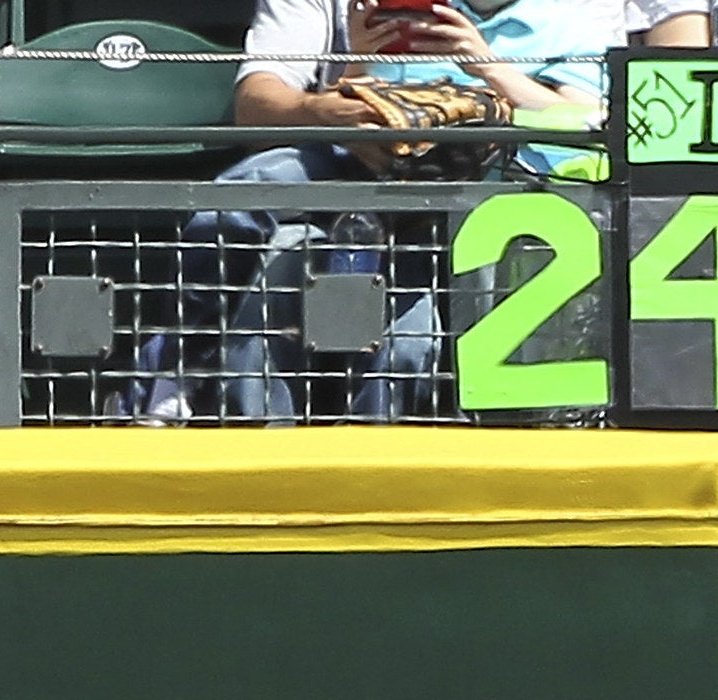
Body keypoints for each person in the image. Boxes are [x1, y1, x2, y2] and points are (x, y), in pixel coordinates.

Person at [112, 0, 611, 422]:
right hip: (356, 166)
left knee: (406, 348)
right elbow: (262, 106)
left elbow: (585, 124)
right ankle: (177, 362)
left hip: (483, 197)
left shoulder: (573, 13)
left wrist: (482, 65)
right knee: (246, 189)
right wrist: (353, 71)